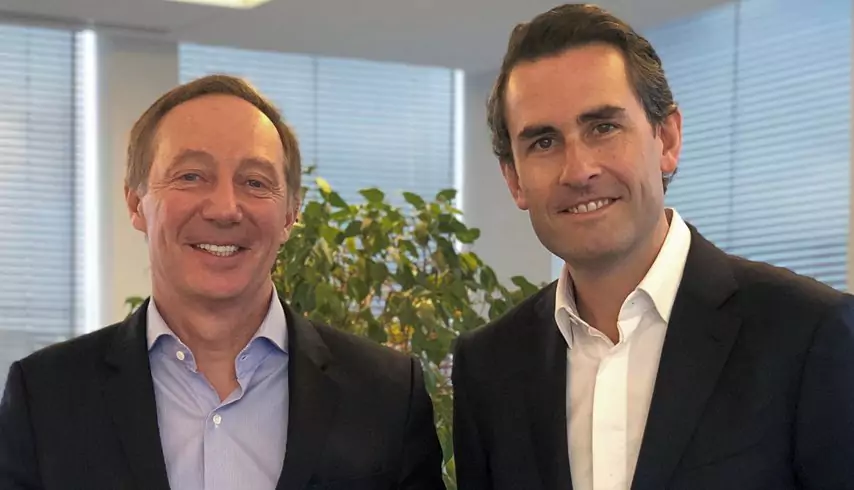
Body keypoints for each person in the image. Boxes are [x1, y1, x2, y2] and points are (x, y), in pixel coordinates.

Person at [451, 4, 854, 490]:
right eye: (543, 142)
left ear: (667, 139)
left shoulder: (809, 335)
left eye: (603, 127)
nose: (579, 170)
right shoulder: (489, 369)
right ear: (514, 180)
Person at [0, 74, 445, 490]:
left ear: (290, 213)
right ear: (136, 204)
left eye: (255, 182)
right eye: (191, 176)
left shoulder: (386, 395)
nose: (225, 209)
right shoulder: (46, 396)